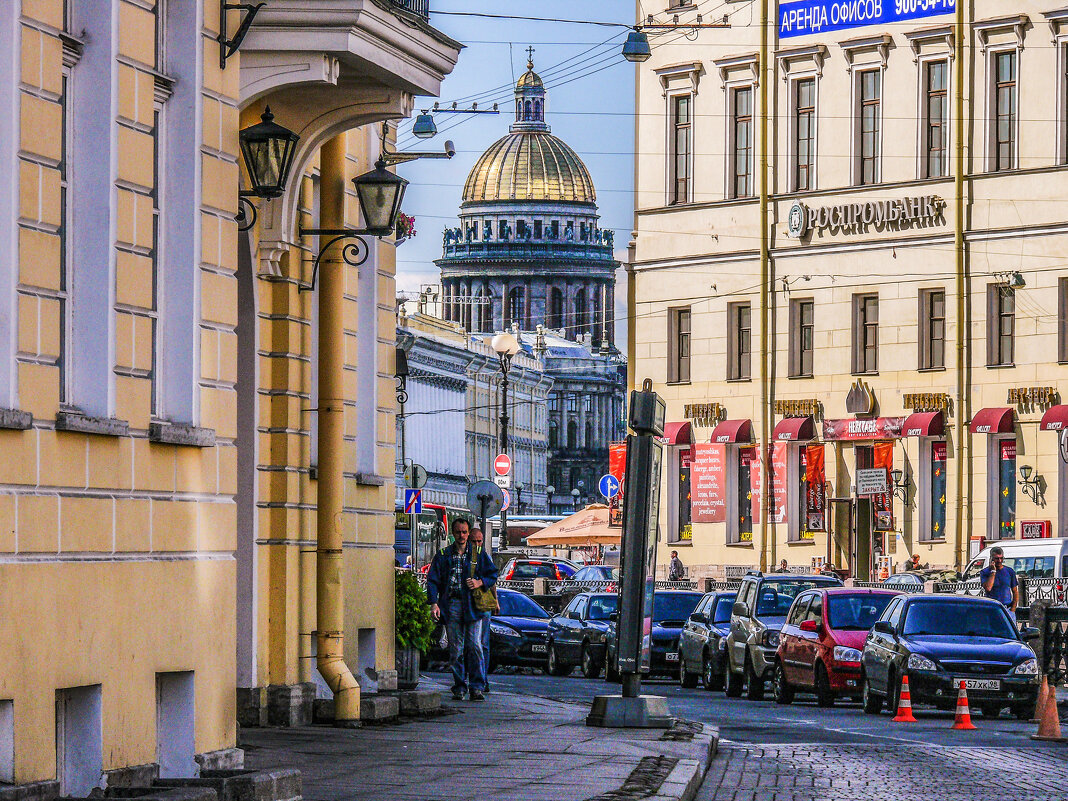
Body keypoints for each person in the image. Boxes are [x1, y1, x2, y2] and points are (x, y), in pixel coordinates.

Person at [426, 518, 498, 701]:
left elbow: (493, 574)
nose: (462, 536)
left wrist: (479, 582)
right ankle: (459, 686)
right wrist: (434, 603)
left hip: (473, 606)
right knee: (456, 649)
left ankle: (477, 687)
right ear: (453, 533)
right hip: (452, 606)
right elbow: (433, 580)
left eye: (465, 532)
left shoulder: (478, 553)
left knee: (475, 646)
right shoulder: (443, 555)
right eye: (458, 532)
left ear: (468, 533)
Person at [470, 527, 493, 693]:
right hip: (468, 604)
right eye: (475, 541)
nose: (477, 544)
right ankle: (472, 680)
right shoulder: (465, 557)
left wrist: (496, 602)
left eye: (480, 541)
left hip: (484, 604)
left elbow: (493, 580)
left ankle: (482, 679)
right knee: (472, 644)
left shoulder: (485, 557)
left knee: (483, 644)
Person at [980, 546, 1018, 611]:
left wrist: (1013, 609)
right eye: (997, 558)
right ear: (991, 559)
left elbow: (1015, 591)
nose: (999, 561)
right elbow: (988, 588)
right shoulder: (985, 572)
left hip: (1007, 608)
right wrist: (993, 572)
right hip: (991, 608)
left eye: (1001, 558)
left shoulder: (1009, 571)